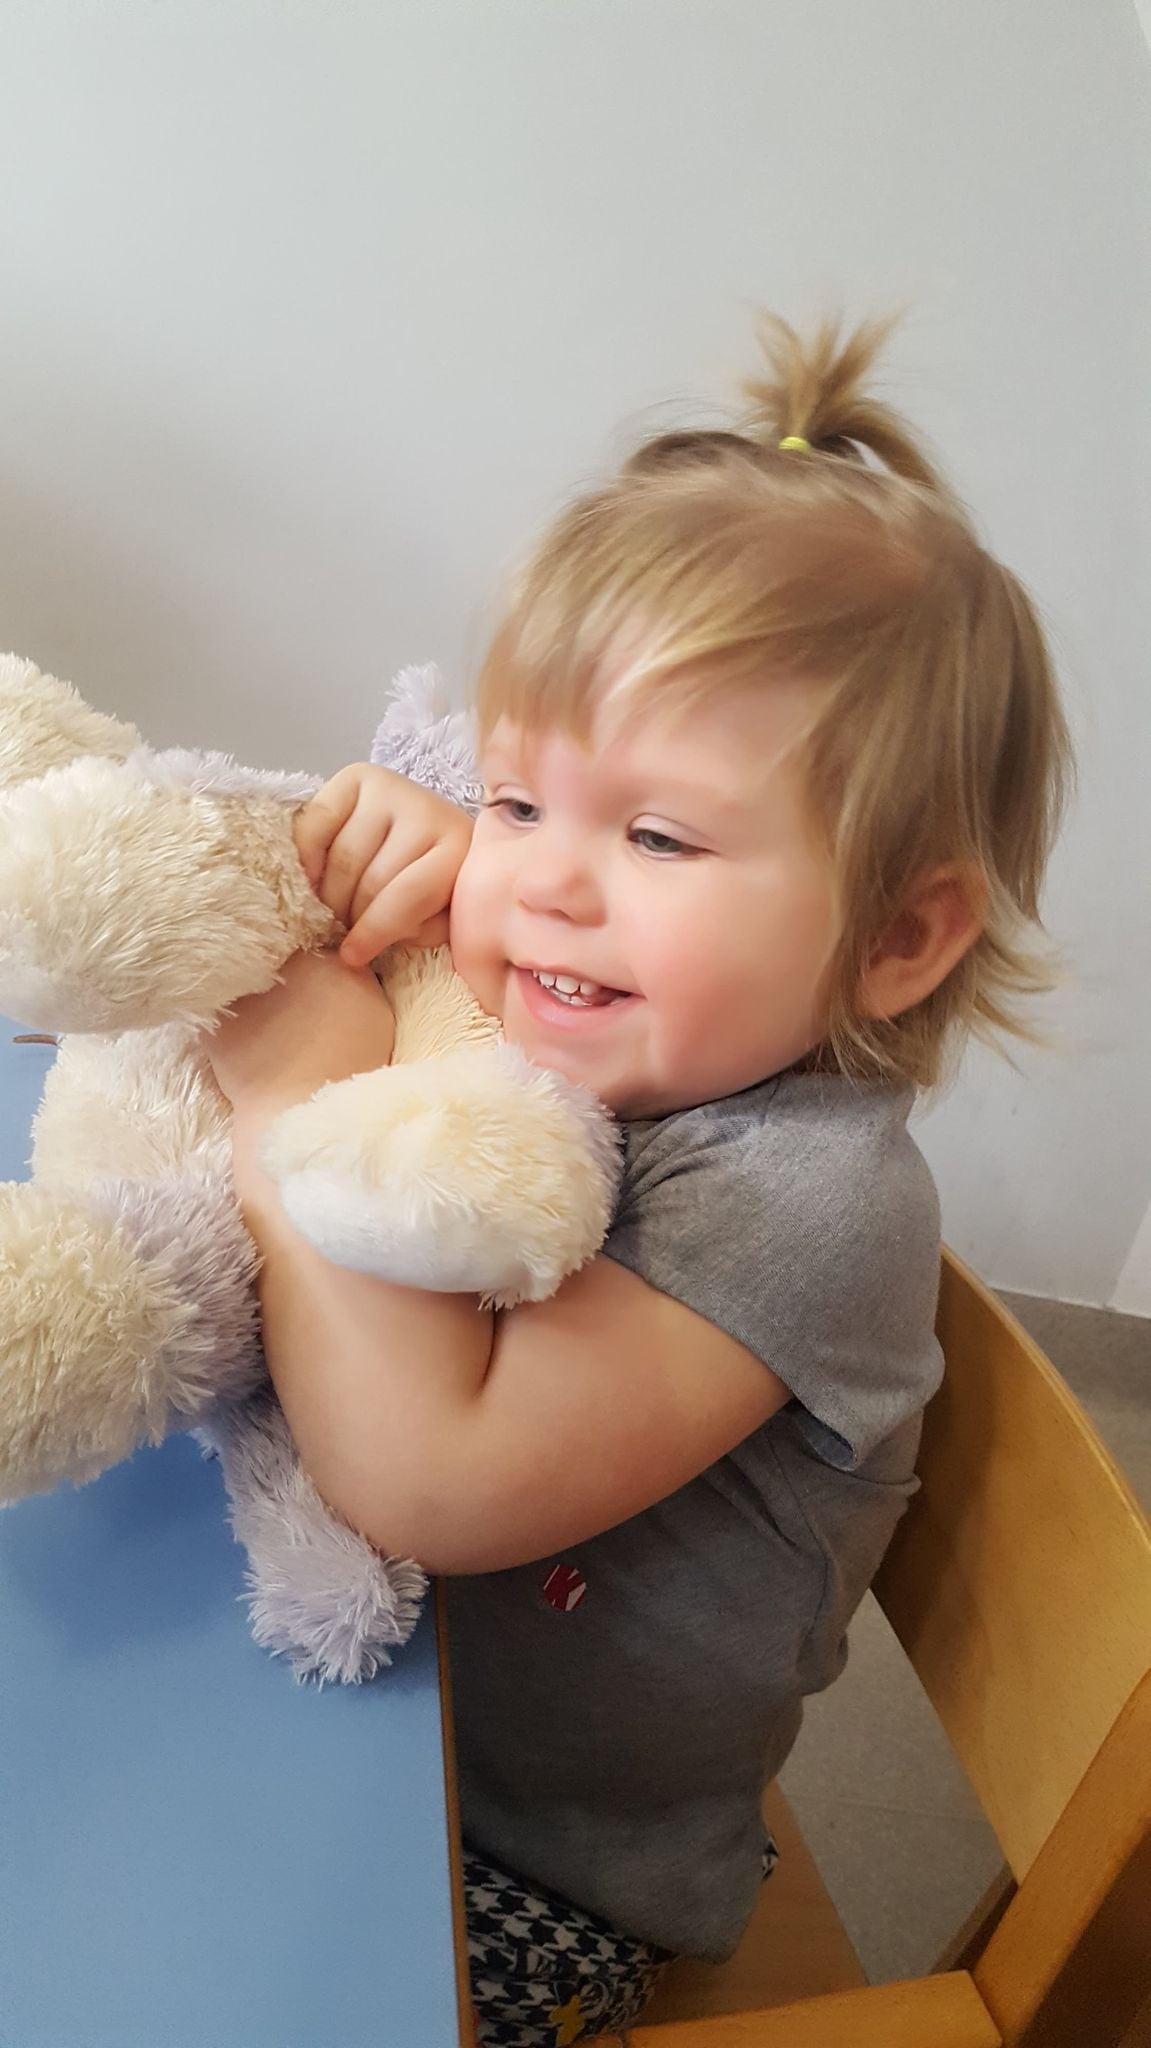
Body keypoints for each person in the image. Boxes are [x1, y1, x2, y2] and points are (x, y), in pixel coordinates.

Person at [204, 314, 1072, 2047]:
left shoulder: (810, 1201)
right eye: (521, 800)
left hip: (520, 1863)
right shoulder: (615, 1025)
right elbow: (512, 961)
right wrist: (430, 897)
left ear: (901, 937)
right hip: (341, 1709)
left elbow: (429, 1482)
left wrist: (303, 1099)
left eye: (656, 835)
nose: (544, 885)